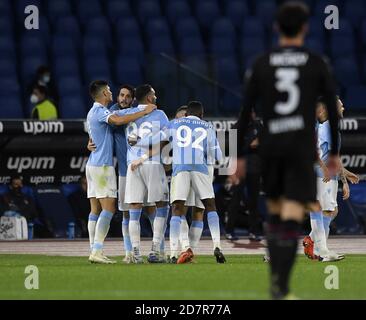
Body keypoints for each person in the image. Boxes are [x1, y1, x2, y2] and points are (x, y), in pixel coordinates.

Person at [234, 2, 340, 299]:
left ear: (276, 28)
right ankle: (281, 285)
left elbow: (245, 114)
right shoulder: (316, 62)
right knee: (293, 215)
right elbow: (332, 109)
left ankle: (277, 284)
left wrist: (240, 156)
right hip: (299, 150)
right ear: (305, 28)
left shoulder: (261, 63)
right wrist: (335, 154)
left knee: (278, 214)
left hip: (272, 149)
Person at [134, 101, 225, 264]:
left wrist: (139, 141)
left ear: (186, 113)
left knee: (177, 208)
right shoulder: (208, 126)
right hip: (201, 169)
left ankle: (174, 252)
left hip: (181, 169)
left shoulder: (175, 123)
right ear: (201, 115)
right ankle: (217, 246)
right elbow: (218, 156)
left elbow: (157, 138)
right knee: (209, 206)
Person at [86, 80, 156, 264]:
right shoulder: (112, 113)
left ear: (133, 99)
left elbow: (96, 129)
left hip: (139, 166)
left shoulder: (105, 112)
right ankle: (103, 250)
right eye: (119, 94)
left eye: (127, 96)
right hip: (116, 169)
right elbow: (113, 121)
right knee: (117, 210)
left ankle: (153, 249)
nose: (123, 98)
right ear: (110, 95)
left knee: (149, 209)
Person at [114, 84, 170, 264]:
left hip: (132, 166)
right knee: (162, 205)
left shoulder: (128, 113)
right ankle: (155, 250)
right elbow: (166, 138)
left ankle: (135, 253)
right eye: (153, 94)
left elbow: (112, 119)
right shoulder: (160, 114)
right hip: (152, 163)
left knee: (134, 209)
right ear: (148, 97)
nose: (156, 96)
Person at [303, 97, 359, 261]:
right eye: (340, 105)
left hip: (325, 175)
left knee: (329, 211)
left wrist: (345, 177)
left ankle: (314, 243)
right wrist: (331, 173)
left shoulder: (328, 128)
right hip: (322, 175)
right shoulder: (326, 127)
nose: (343, 108)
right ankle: (321, 251)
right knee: (321, 210)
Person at [227, 111, 264, 241]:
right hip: (240, 167)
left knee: (254, 201)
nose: (252, 115)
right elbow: (232, 150)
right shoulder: (236, 127)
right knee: (236, 199)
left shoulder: (259, 125)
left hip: (255, 167)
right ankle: (229, 230)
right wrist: (250, 143)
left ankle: (253, 231)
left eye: (253, 112)